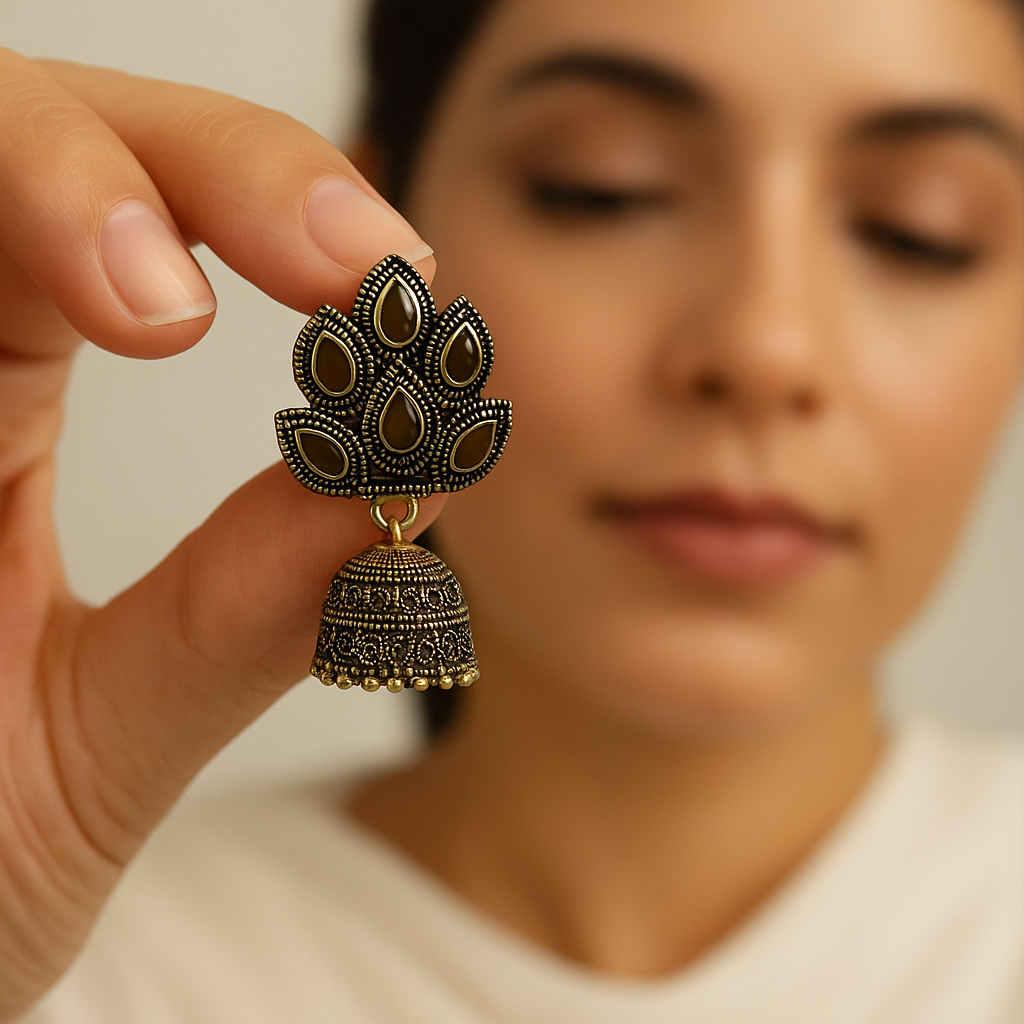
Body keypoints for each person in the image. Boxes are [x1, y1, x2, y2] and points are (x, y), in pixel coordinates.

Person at [1, 0, 1022, 1019]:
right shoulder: (65, 953)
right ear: (384, 232)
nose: (765, 347)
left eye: (921, 231)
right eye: (603, 189)